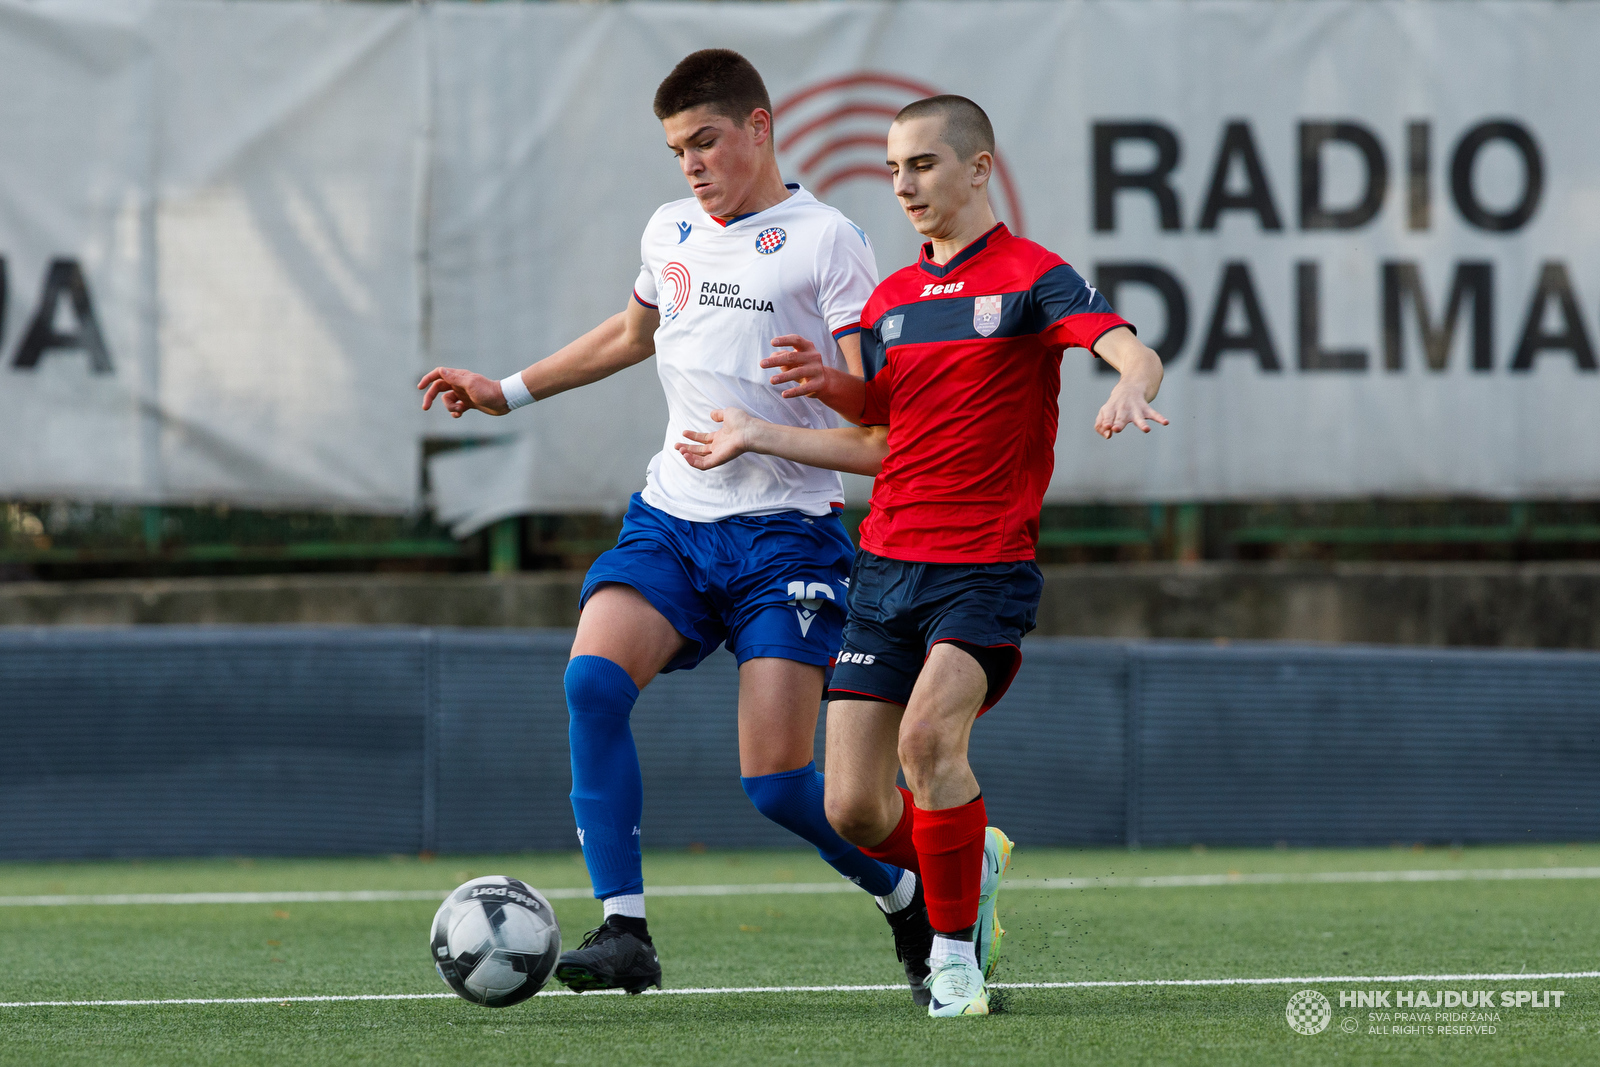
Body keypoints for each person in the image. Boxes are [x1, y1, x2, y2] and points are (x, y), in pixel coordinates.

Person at [417, 50, 938, 1001]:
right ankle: (625, 929)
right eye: (677, 149)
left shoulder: (828, 243)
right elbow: (631, 335)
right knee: (590, 682)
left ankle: (913, 893)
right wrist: (508, 391)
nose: (692, 164)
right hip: (672, 521)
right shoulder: (670, 230)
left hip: (788, 536)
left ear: (760, 127)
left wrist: (769, 425)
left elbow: (877, 422)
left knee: (780, 785)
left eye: (706, 141)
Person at [676, 95, 1168, 1017]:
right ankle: (966, 852)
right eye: (895, 168)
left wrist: (1128, 387)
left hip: (984, 567)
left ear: (979, 169)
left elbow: (1126, 347)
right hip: (884, 568)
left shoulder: (1032, 276)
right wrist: (774, 423)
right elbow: (882, 432)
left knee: (928, 742)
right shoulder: (893, 298)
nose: (905, 184)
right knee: (854, 809)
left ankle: (953, 960)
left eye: (925, 165)